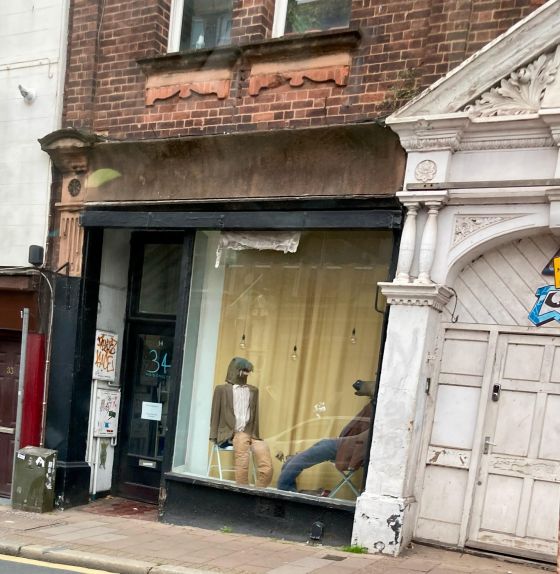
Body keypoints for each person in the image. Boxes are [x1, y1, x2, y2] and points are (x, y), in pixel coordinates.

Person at [276, 380, 374, 493]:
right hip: (347, 444)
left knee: (300, 459)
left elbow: (363, 439)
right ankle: (288, 491)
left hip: (350, 446)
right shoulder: (374, 408)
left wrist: (368, 387)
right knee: (292, 461)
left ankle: (284, 490)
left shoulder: (378, 410)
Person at [210, 357, 273, 487]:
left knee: (265, 458)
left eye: (247, 371)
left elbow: (255, 416)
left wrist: (255, 436)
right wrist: (214, 436)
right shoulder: (221, 390)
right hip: (231, 433)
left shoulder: (253, 391)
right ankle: (242, 489)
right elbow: (215, 413)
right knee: (243, 452)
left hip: (251, 434)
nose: (245, 373)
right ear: (235, 370)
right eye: (243, 370)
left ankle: (258, 490)